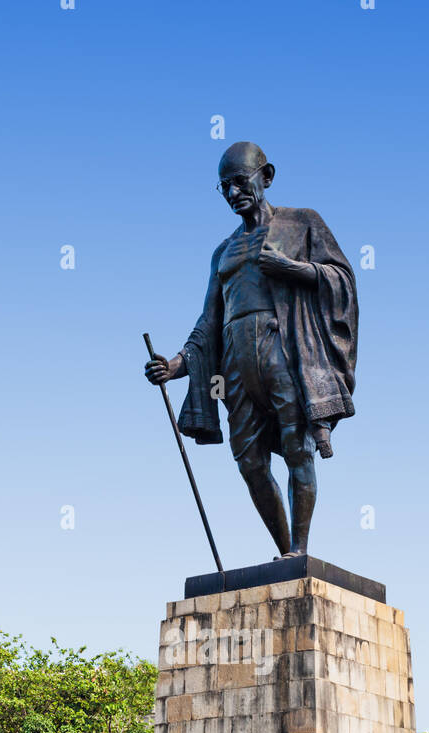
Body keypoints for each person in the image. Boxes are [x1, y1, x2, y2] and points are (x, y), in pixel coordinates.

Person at [145, 142, 357, 558]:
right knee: (250, 463)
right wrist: (174, 365)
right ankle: (285, 556)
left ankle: (299, 550)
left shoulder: (303, 224)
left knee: (298, 447)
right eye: (223, 187)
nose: (232, 193)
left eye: (239, 182)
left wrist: (293, 269)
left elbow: (343, 280)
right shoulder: (222, 252)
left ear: (267, 176)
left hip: (283, 348)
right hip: (234, 365)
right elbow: (208, 320)